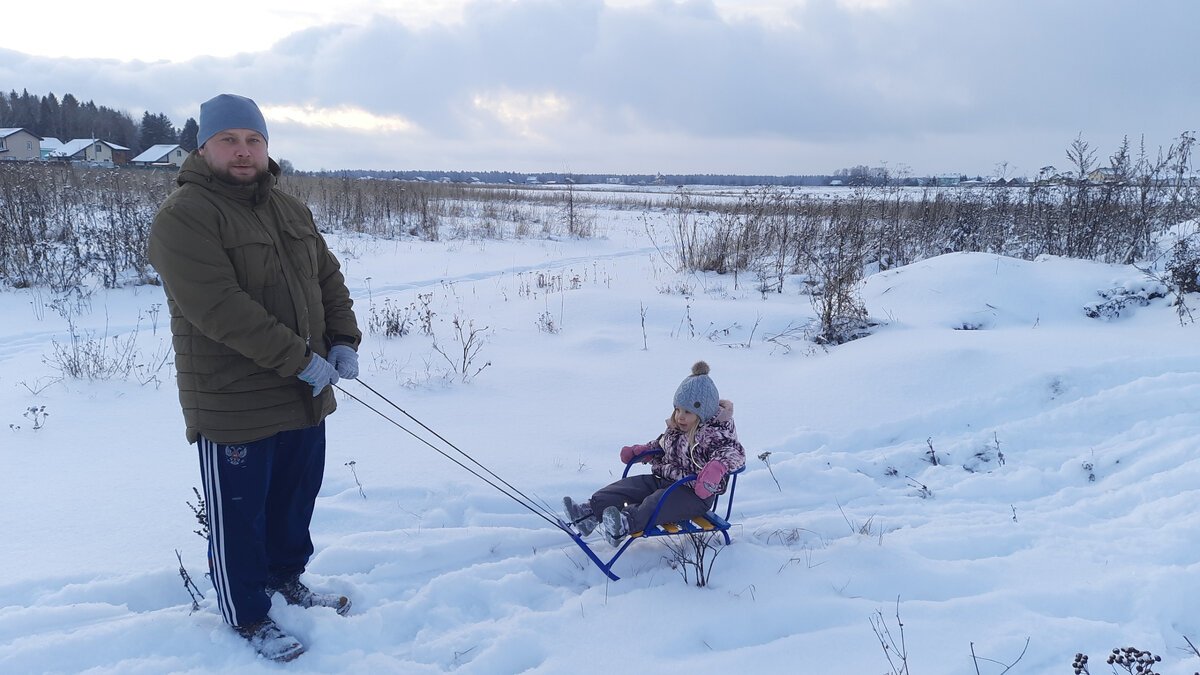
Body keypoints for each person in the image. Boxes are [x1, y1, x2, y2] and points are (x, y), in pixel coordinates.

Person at [148, 93, 361, 662]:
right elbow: (218, 307)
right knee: (240, 516)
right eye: (229, 140)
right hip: (234, 402)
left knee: (295, 499)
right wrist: (300, 357)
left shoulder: (289, 209)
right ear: (203, 146)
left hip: (304, 395)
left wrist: (343, 341)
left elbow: (328, 278)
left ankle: (286, 579)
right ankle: (247, 615)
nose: (244, 152)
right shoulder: (185, 215)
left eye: (254, 140)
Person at [564, 361, 746, 546]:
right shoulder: (678, 429)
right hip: (664, 479)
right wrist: (644, 451)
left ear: (702, 414)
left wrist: (716, 467)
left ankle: (625, 524)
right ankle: (589, 513)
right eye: (677, 409)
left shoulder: (715, 434)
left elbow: (734, 453)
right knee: (630, 487)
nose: (680, 416)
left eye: (687, 412)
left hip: (695, 495)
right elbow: (662, 444)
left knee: (657, 502)